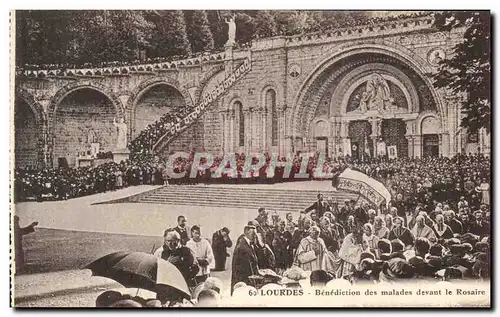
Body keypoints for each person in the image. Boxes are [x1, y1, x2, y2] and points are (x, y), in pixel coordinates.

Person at [231, 224, 259, 294]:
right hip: (243, 280)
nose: (255, 236)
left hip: (244, 279)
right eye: (253, 234)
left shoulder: (247, 244)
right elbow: (246, 267)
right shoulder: (242, 246)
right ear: (246, 233)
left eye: (255, 234)